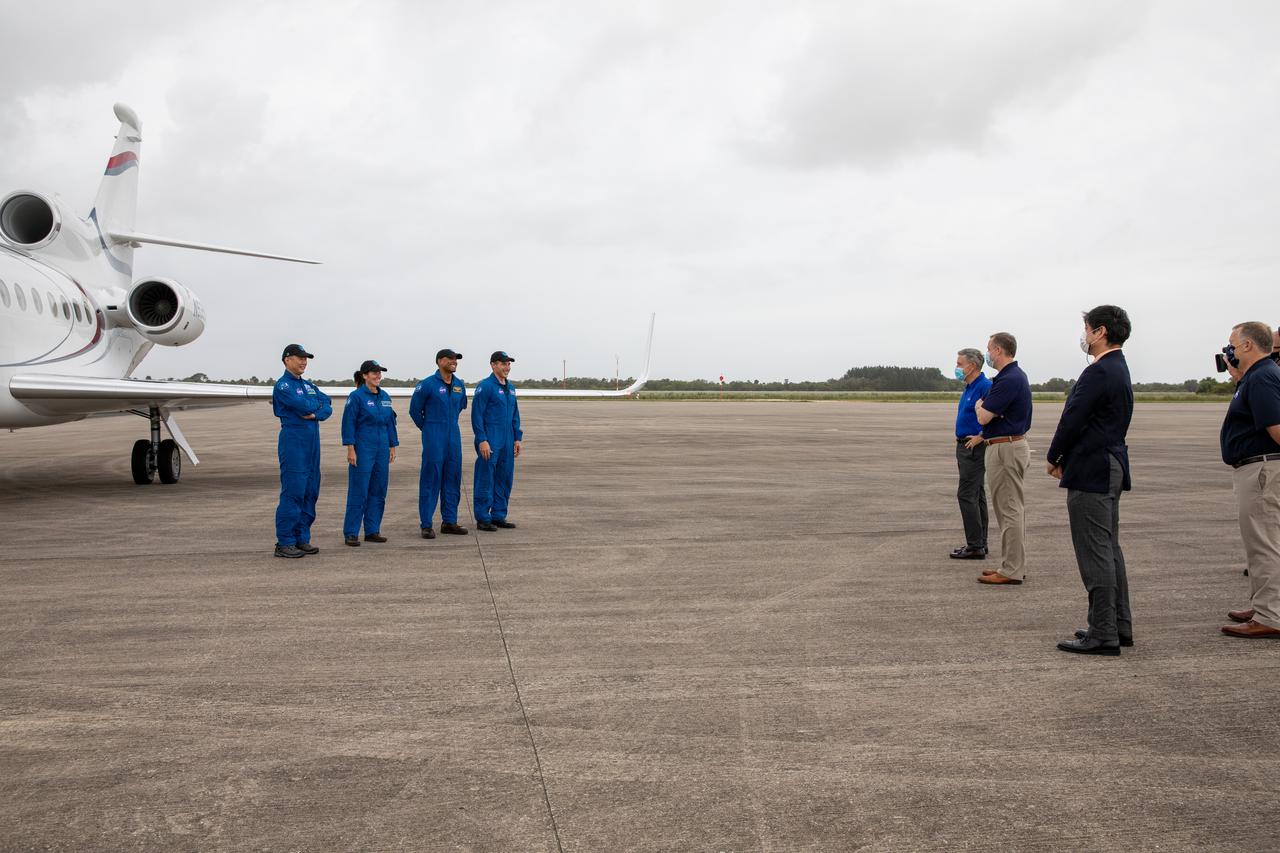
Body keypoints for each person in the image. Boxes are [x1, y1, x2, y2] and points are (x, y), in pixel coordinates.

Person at [1046, 306, 1135, 656]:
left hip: (1093, 467)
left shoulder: (1098, 371)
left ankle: (1103, 633)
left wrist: (1055, 457)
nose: (1083, 336)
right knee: (1110, 549)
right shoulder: (1119, 367)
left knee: (1095, 553)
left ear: (1099, 332)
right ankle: (1117, 625)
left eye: (1086, 329)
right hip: (1111, 463)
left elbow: (1073, 418)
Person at [1218, 321, 1280, 639]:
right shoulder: (1255, 377)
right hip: (1256, 468)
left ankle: (1271, 615)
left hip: (1261, 470)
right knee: (1259, 541)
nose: (1228, 349)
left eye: (1232, 343)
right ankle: (1263, 605)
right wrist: (1239, 379)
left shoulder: (1263, 378)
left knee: (1264, 543)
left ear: (1247, 346)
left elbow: (1276, 429)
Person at [974, 332, 1033, 585]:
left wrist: (979, 406)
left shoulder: (1009, 379)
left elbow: (984, 416)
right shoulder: (1010, 377)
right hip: (1006, 446)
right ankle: (1012, 563)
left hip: (1005, 449)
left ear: (998, 350)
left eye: (989, 349)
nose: (987, 354)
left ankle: (1011, 570)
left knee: (1009, 510)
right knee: (1009, 509)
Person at [272, 344, 332, 559]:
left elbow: (327, 404)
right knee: (294, 492)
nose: (304, 361)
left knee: (310, 492)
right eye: (299, 357)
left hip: (312, 442)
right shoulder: (283, 386)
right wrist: (314, 406)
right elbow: (303, 405)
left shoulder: (308, 385)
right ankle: (285, 542)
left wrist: (317, 413)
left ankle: (301, 538)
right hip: (294, 441)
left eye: (306, 358)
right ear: (287, 360)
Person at [410, 349, 469, 538]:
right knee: (431, 478)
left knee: (452, 477)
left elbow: (460, 407)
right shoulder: (427, 384)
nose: (454, 362)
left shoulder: (459, 385)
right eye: (450, 359)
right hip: (434, 434)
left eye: (456, 359)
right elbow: (415, 411)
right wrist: (428, 428)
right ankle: (426, 524)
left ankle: (449, 521)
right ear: (439, 361)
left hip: (453, 436)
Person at [341, 360, 399, 546]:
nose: (377, 376)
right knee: (359, 490)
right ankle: (351, 532)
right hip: (363, 448)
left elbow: (390, 422)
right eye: (374, 373)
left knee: (378, 490)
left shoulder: (385, 397)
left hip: (382, 447)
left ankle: (372, 530)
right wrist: (351, 448)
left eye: (379, 373)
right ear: (365, 375)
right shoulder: (356, 397)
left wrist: (392, 445)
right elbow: (348, 423)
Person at [472, 351, 523, 532]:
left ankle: (499, 515)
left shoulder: (511, 388)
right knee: (485, 478)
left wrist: (517, 438)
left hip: (508, 438)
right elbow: (477, 416)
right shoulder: (485, 387)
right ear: (493, 365)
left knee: (504, 477)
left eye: (508, 364)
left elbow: (515, 415)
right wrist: (482, 439)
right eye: (503, 364)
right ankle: (483, 517)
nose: (506, 367)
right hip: (491, 437)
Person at [951, 348, 992, 560]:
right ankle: (980, 543)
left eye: (959, 364)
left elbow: (996, 414)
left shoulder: (985, 386)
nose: (957, 368)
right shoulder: (969, 387)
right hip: (964, 446)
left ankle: (975, 545)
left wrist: (981, 436)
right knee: (977, 494)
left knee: (966, 494)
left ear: (972, 366)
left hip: (973, 447)